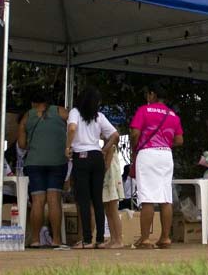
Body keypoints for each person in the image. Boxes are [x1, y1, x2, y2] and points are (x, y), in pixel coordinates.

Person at [129, 82, 183, 249]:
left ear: (152, 94)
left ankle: (145, 239)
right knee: (165, 197)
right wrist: (164, 143)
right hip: (166, 155)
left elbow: (135, 133)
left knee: (147, 198)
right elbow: (179, 140)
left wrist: (135, 147)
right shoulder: (173, 115)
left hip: (148, 154)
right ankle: (165, 238)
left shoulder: (144, 110)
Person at [66, 86, 120, 249]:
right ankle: (100, 239)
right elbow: (115, 135)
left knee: (84, 200)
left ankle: (87, 239)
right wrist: (104, 149)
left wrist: (68, 146)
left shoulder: (75, 112)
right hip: (97, 157)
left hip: (81, 156)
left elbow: (72, 128)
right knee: (97, 199)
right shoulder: (99, 116)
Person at [17, 88, 69, 248]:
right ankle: (56, 239)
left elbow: (21, 144)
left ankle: (35, 239)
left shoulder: (27, 116)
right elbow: (75, 127)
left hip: (34, 162)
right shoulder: (61, 112)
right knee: (54, 199)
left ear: (33, 102)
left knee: (37, 201)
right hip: (57, 161)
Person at [101, 145, 126, 248]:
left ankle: (119, 239)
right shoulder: (105, 146)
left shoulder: (111, 146)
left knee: (113, 210)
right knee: (108, 211)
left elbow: (107, 165)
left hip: (111, 180)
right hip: (106, 181)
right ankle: (113, 239)